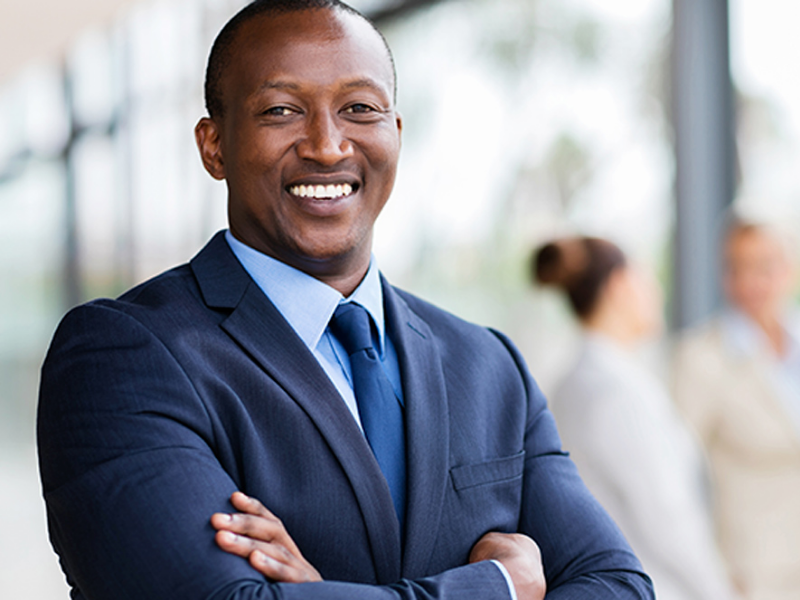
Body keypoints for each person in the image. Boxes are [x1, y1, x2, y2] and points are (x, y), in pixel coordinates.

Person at [37, 2, 654, 599]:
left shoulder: (489, 366)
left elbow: (620, 586)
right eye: (280, 111)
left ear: (397, 134)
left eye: (359, 108)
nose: (328, 145)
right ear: (214, 145)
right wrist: (497, 587)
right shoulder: (121, 357)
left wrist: (322, 593)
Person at [533, 237, 737, 600]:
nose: (657, 292)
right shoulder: (613, 391)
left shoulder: (577, 381)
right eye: (647, 280)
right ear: (620, 285)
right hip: (657, 584)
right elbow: (667, 516)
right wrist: (721, 591)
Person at [673, 218, 800, 600]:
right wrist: (712, 573)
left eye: (764, 266)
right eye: (735, 268)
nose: (749, 282)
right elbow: (677, 475)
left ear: (790, 268)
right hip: (753, 576)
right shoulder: (700, 359)